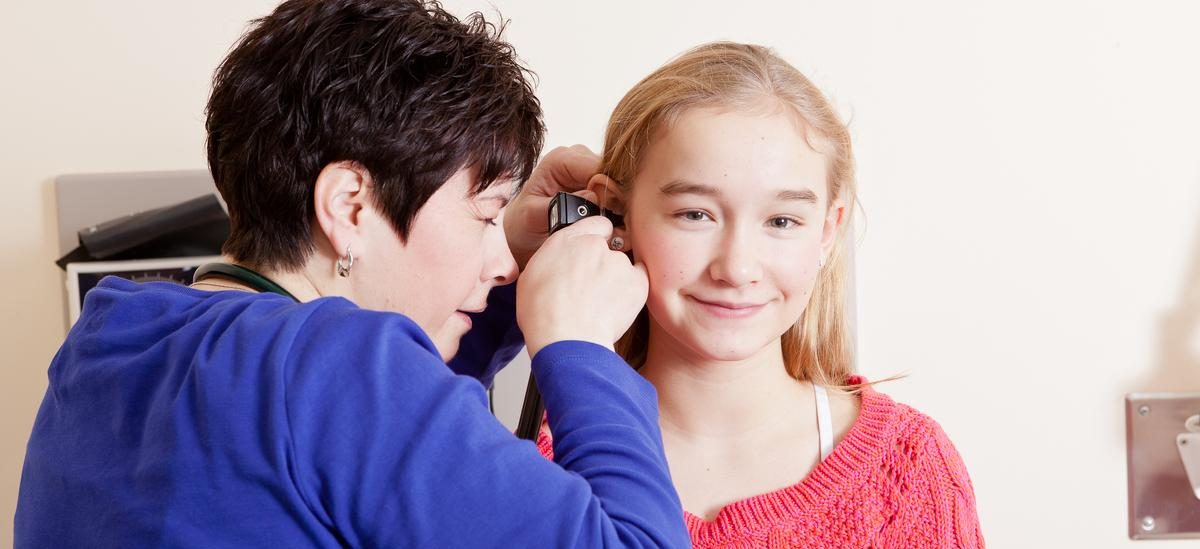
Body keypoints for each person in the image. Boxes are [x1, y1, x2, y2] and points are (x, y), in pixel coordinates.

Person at [15, 1, 688, 547]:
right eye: (484, 216)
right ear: (350, 205)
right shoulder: (342, 370)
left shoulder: (110, 337)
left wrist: (497, 245)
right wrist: (578, 344)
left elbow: (368, 454)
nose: (504, 259)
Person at [536, 42, 985, 548]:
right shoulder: (532, 466)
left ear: (827, 231)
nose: (737, 268)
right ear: (617, 213)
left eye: (781, 221)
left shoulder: (910, 469)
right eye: (695, 214)